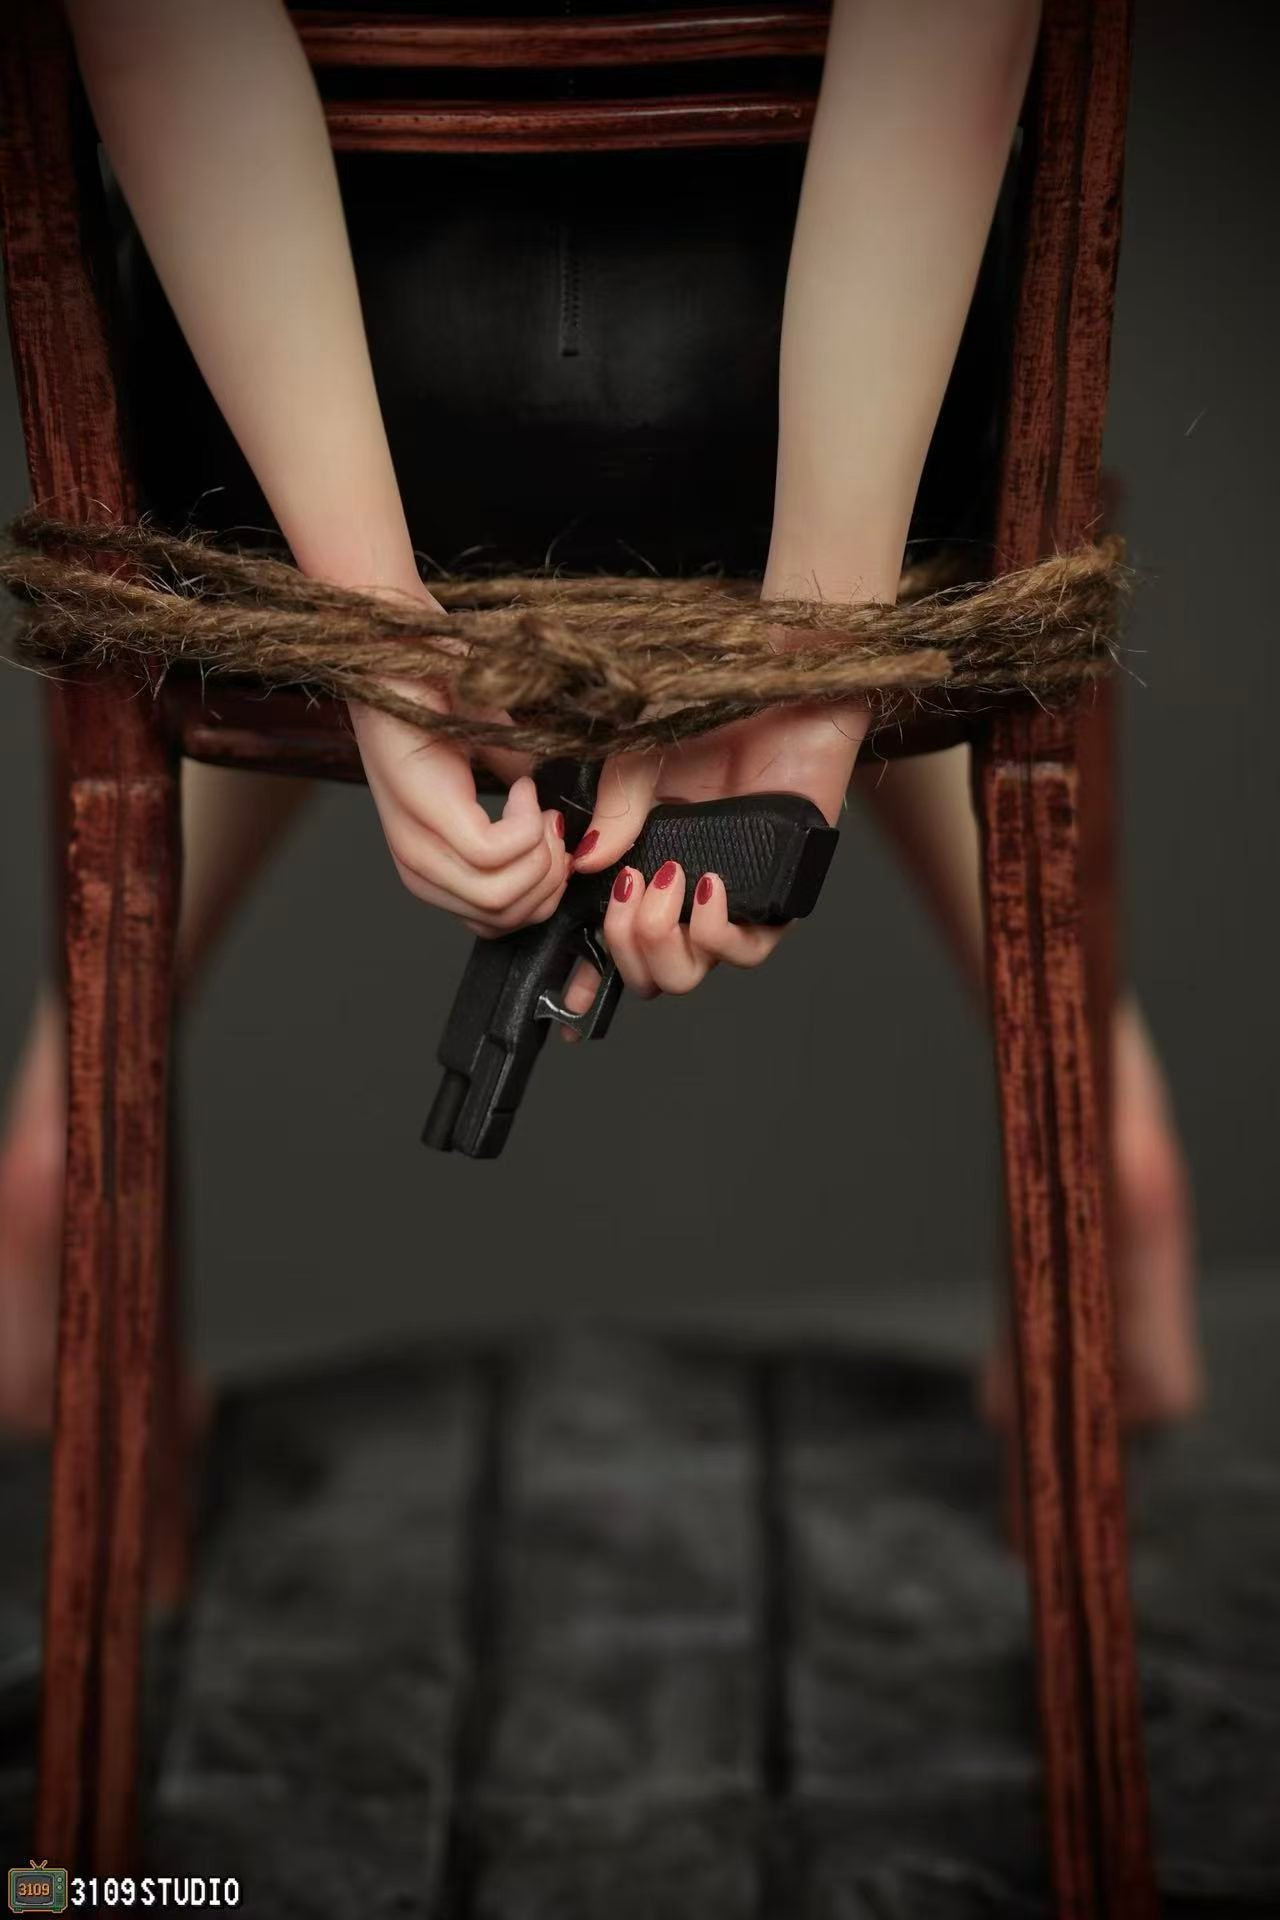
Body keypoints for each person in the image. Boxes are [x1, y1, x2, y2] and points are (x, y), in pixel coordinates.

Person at [0, 0, 1200, 1430]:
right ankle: (1091, 1107)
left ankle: (69, 1119)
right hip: (801, 420)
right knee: (910, 541)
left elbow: (154, 36)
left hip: (326, 427)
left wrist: (372, 624)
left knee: (265, 555)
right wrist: (816, 653)